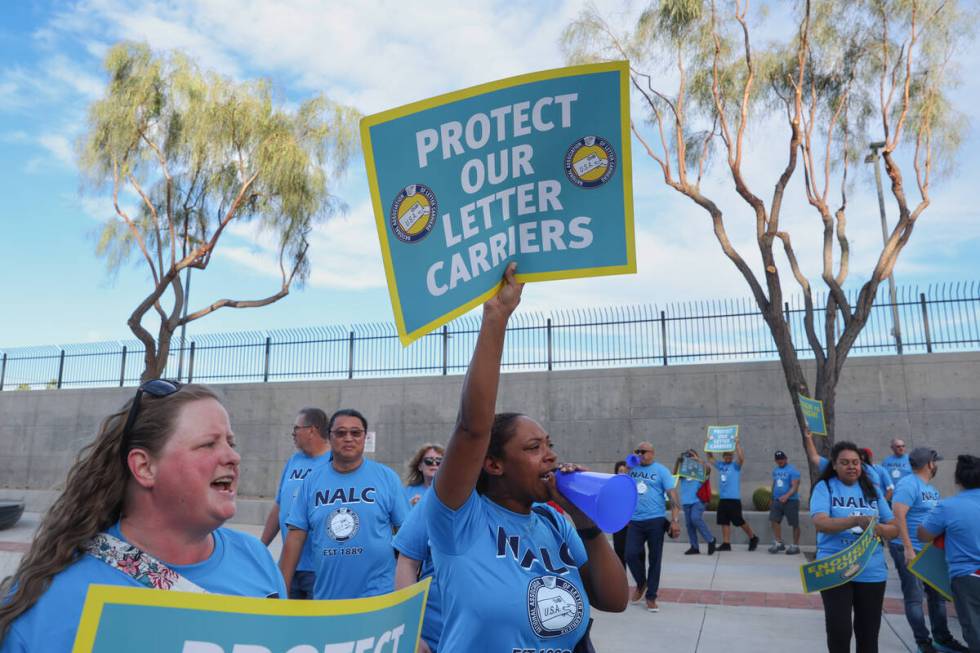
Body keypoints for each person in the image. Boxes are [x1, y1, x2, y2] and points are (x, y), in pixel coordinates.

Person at [424, 264, 628, 652]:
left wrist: (586, 523)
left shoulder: (555, 522)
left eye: (548, 444)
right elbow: (472, 429)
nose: (551, 457)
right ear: (493, 463)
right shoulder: (458, 518)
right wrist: (496, 317)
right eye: (533, 448)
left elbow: (614, 600)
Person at [0, 381, 286, 652]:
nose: (233, 457)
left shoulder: (256, 559)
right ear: (145, 467)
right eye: (208, 444)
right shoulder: (51, 602)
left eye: (230, 443)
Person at [279, 408, 409, 600]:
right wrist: (281, 591)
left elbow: (406, 533)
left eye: (355, 433)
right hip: (328, 599)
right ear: (330, 438)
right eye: (340, 433)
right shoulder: (312, 481)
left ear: (365, 438)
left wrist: (405, 592)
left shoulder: (387, 477)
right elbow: (295, 538)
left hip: (378, 596)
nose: (348, 438)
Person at [810, 440, 899, 653]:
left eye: (856, 462)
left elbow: (894, 527)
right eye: (845, 462)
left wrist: (877, 528)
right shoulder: (825, 487)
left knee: (868, 634)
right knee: (839, 630)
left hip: (871, 570)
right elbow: (820, 523)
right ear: (834, 465)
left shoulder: (872, 490)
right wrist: (855, 520)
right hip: (834, 567)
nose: (852, 467)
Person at [890, 448, 969, 653]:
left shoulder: (930, 489)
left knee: (937, 596)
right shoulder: (908, 484)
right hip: (910, 550)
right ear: (928, 464)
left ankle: (942, 638)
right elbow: (898, 514)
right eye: (935, 462)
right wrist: (908, 548)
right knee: (915, 598)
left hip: (928, 552)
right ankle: (923, 642)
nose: (936, 466)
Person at [260, 407, 330, 599]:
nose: (293, 433)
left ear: (311, 430)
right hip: (289, 564)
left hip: (318, 569)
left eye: (296, 428)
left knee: (314, 626)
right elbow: (279, 506)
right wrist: (261, 545)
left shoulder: (333, 463)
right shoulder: (294, 461)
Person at [919, 454, 980, 653]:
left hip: (967, 577)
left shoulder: (948, 506)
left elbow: (924, 535)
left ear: (957, 479)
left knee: (975, 631)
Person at [627, 441, 681, 612]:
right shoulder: (633, 470)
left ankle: (651, 596)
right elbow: (623, 489)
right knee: (631, 554)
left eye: (643, 451)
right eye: (638, 451)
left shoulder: (661, 471)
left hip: (655, 520)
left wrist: (674, 520)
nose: (640, 454)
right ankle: (641, 583)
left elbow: (673, 497)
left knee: (655, 559)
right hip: (635, 520)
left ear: (652, 453)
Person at [394, 491, 441, 653]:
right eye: (429, 462)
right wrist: (410, 631)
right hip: (436, 639)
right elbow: (407, 559)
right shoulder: (439, 495)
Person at [707, 439, 759, 551]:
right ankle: (726, 543)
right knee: (724, 521)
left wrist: (737, 444)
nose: (728, 458)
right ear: (723, 456)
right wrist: (708, 445)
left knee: (738, 520)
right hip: (723, 499)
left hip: (733, 499)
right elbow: (710, 458)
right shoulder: (721, 465)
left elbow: (741, 458)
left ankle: (753, 537)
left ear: (732, 456)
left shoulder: (735, 466)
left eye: (730, 456)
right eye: (726, 456)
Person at [675, 450, 716, 555]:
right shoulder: (684, 471)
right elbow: (675, 474)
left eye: (691, 456)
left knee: (695, 518)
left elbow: (708, 469)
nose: (690, 458)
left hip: (698, 500)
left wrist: (698, 460)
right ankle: (694, 547)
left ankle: (710, 539)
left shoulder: (700, 470)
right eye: (688, 456)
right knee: (689, 525)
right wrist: (678, 462)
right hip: (686, 501)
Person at [769, 450, 802, 554]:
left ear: (786, 459)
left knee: (794, 524)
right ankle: (779, 543)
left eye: (782, 459)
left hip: (791, 501)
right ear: (775, 460)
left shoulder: (793, 471)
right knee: (774, 520)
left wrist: (787, 496)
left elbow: (795, 486)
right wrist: (771, 498)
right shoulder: (775, 471)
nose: (780, 461)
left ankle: (795, 546)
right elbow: (774, 484)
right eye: (778, 459)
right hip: (777, 500)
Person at [404, 443, 444, 507]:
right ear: (420, 466)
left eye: (439, 461)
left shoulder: (452, 491)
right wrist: (409, 506)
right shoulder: (408, 491)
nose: (434, 463)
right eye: (429, 460)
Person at [612, 460, 634, 568]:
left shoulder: (634, 486)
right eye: (620, 471)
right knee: (619, 552)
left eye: (625, 471)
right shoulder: (612, 486)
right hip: (618, 524)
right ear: (616, 472)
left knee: (633, 554)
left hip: (632, 524)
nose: (623, 473)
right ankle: (623, 579)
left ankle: (641, 580)